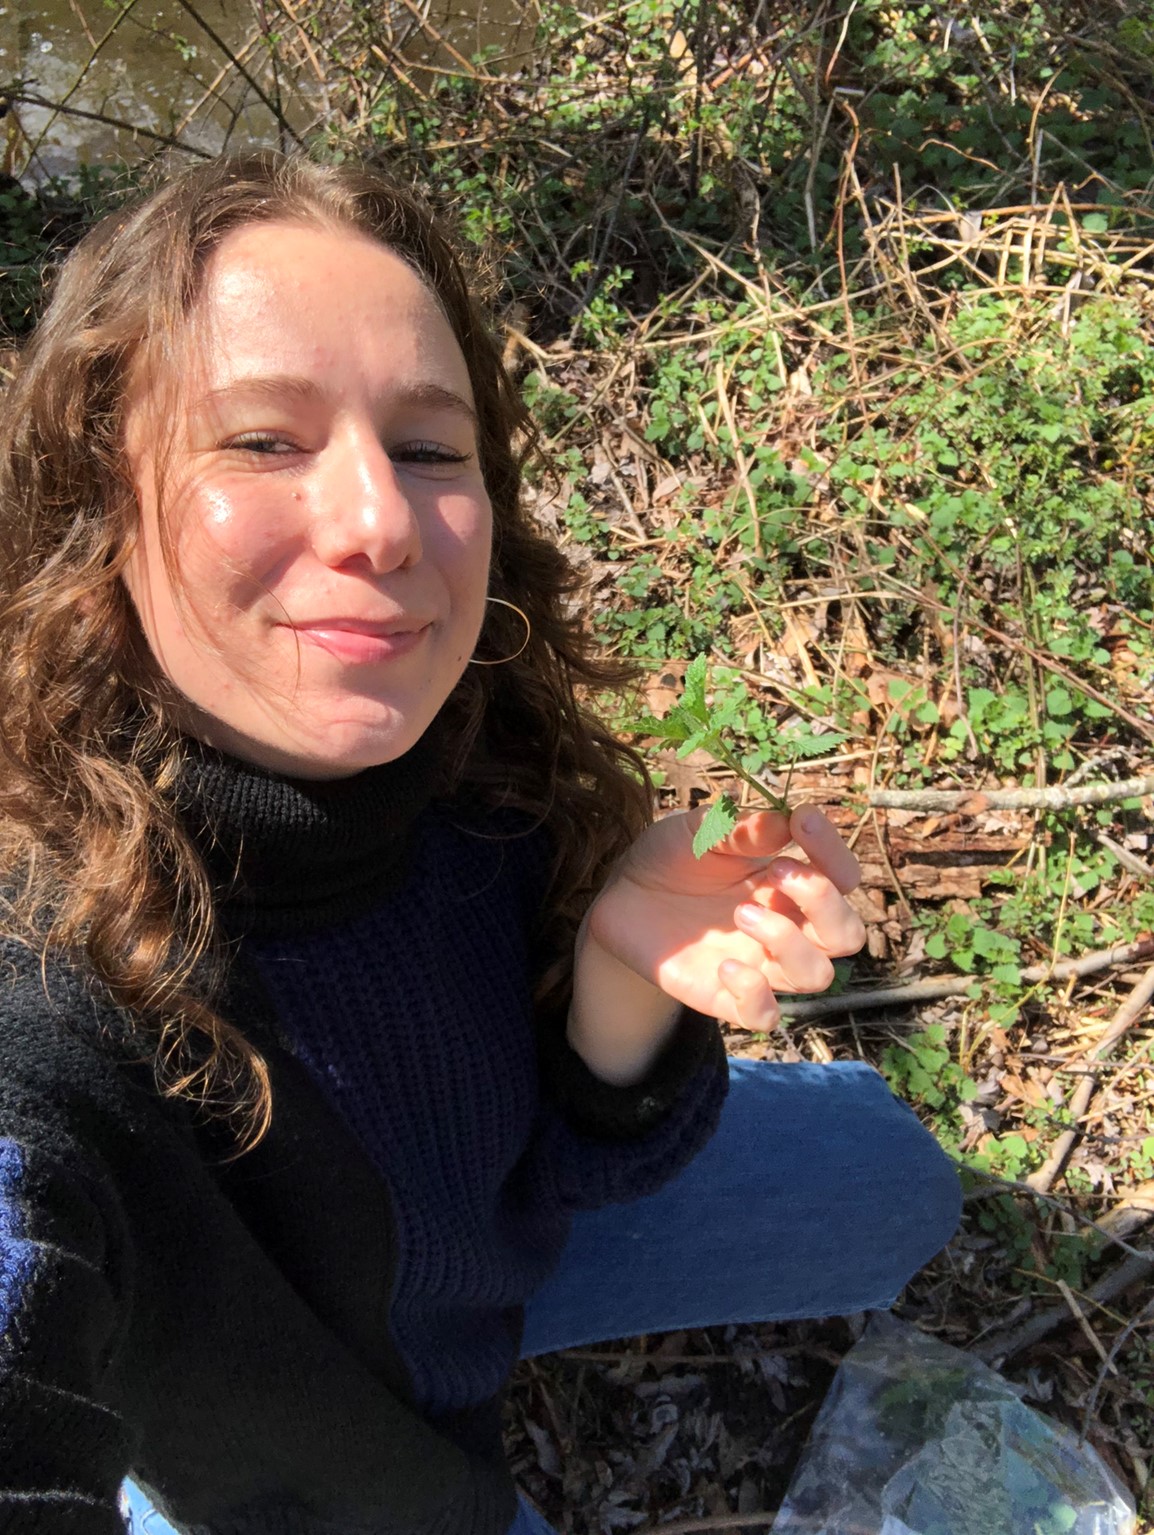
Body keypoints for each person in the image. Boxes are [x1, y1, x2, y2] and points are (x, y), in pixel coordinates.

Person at [0, 150, 960, 1535]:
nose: (381, 521)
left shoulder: (473, 760)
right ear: (101, 490)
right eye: (263, 440)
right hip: (322, 1463)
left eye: (427, 447)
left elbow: (558, 1158)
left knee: (892, 1185)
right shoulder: (40, 988)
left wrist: (618, 980)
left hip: (481, 1263)